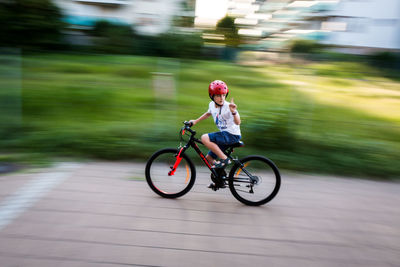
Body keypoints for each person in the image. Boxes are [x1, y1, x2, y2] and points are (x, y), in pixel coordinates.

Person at [189, 80, 241, 169]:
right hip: (224, 135)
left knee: (205, 137)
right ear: (212, 96)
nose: (221, 98)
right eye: (218, 95)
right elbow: (208, 113)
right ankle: (219, 180)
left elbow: (238, 122)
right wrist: (195, 121)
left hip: (232, 135)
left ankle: (225, 159)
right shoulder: (212, 105)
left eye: (223, 95)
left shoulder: (229, 107)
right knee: (209, 158)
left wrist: (234, 112)